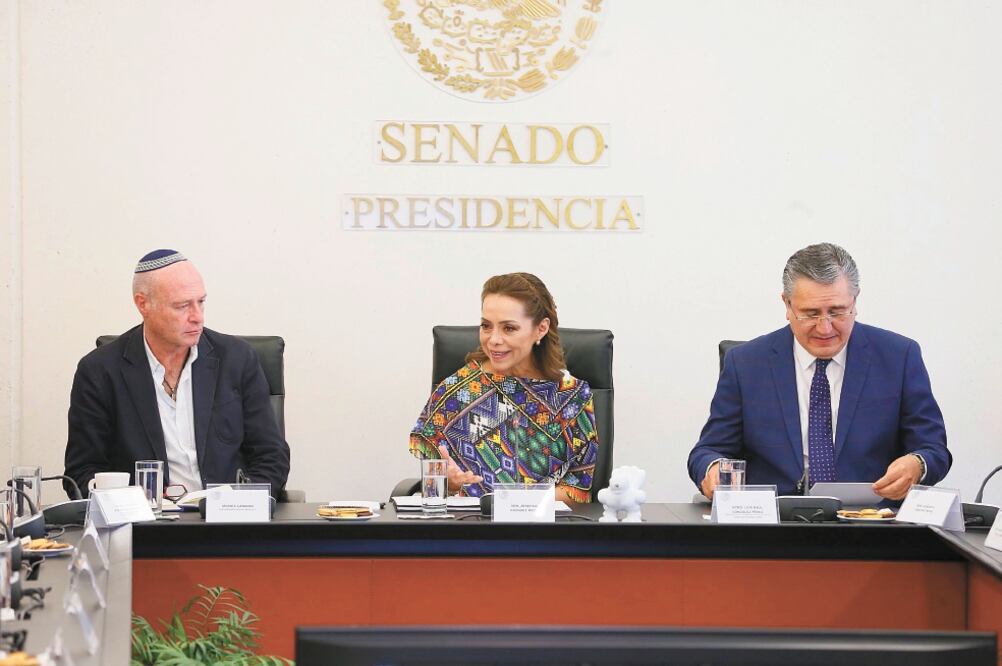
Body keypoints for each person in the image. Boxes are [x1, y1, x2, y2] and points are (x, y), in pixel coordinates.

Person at [688, 243, 950, 500]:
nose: (825, 328)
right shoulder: (746, 364)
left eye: (837, 312)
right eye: (810, 314)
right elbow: (709, 450)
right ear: (787, 305)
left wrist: (917, 464)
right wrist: (712, 470)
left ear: (855, 300)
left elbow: (933, 450)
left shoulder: (898, 357)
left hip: (870, 524)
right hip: (774, 528)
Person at [64, 249, 290, 498]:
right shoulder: (99, 371)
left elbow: (272, 456)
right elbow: (83, 471)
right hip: (145, 526)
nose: (197, 317)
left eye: (201, 302)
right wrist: (133, 503)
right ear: (143, 304)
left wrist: (240, 505)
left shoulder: (237, 359)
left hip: (227, 521)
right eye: (182, 306)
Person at [409, 273, 599, 503]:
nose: (493, 340)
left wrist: (513, 502)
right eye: (486, 326)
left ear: (541, 329)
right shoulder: (461, 390)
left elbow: (577, 490)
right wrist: (448, 484)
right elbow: (433, 489)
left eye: (509, 328)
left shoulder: (572, 397)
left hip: (541, 530)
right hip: (467, 529)